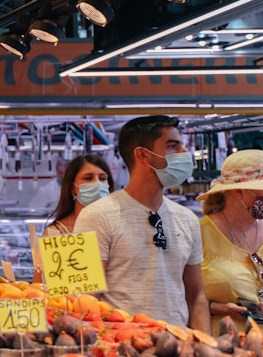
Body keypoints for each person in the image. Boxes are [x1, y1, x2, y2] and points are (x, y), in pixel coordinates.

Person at [75, 115, 209, 331]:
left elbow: (196, 296)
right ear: (143, 155)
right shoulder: (96, 216)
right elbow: (85, 298)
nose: (184, 153)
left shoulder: (188, 219)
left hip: (178, 342)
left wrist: (206, 343)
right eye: (173, 146)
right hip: (122, 344)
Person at [197, 149, 263, 335]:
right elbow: (180, 296)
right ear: (238, 192)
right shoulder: (198, 234)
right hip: (230, 344)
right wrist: (218, 308)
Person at [43, 154, 116, 236]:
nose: (97, 183)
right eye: (88, 178)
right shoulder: (54, 233)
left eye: (102, 178)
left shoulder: (116, 229)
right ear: (72, 187)